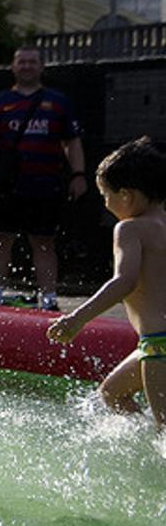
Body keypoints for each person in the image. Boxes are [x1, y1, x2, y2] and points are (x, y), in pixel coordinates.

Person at [47, 136, 166, 431]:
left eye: (106, 195)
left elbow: (123, 281)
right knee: (112, 393)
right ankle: (144, 443)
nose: (106, 203)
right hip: (153, 345)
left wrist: (77, 319)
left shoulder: (129, 229)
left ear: (126, 195)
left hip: (159, 345)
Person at [0, 46, 87, 311]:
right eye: (21, 62)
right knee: (0, 238)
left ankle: (48, 298)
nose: (27, 66)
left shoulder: (58, 102)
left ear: (41, 67)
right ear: (13, 67)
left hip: (45, 183)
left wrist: (78, 174)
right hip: (5, 186)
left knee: (44, 241)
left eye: (32, 62)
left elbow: (73, 142)